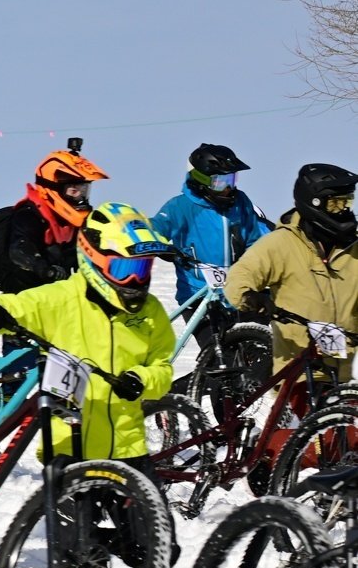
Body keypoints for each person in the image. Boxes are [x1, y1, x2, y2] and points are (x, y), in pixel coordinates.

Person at [0, 202, 177, 568]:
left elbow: (163, 366)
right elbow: (11, 305)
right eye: (126, 268)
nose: (137, 280)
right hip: (69, 446)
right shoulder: (61, 298)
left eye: (144, 267)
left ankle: (97, 545)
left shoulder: (152, 312)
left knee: (160, 550)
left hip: (126, 448)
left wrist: (144, 379)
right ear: (95, 260)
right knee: (76, 562)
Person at [224, 161, 358, 387]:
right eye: (335, 204)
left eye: (347, 203)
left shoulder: (355, 247)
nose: (344, 211)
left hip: (348, 373)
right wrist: (252, 298)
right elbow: (240, 277)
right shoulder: (281, 244)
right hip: (298, 372)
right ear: (314, 203)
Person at [152, 143, 270, 346]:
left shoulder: (241, 202)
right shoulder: (180, 207)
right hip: (199, 295)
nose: (228, 188)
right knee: (218, 354)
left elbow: (254, 241)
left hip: (238, 292)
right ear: (201, 180)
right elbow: (153, 231)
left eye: (232, 180)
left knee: (254, 352)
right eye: (220, 182)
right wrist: (161, 247)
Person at [0, 140, 106, 294]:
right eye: (74, 191)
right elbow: (19, 249)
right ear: (52, 188)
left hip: (55, 290)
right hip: (23, 289)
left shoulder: (70, 223)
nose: (80, 198)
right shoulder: (28, 216)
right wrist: (45, 269)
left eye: (84, 192)